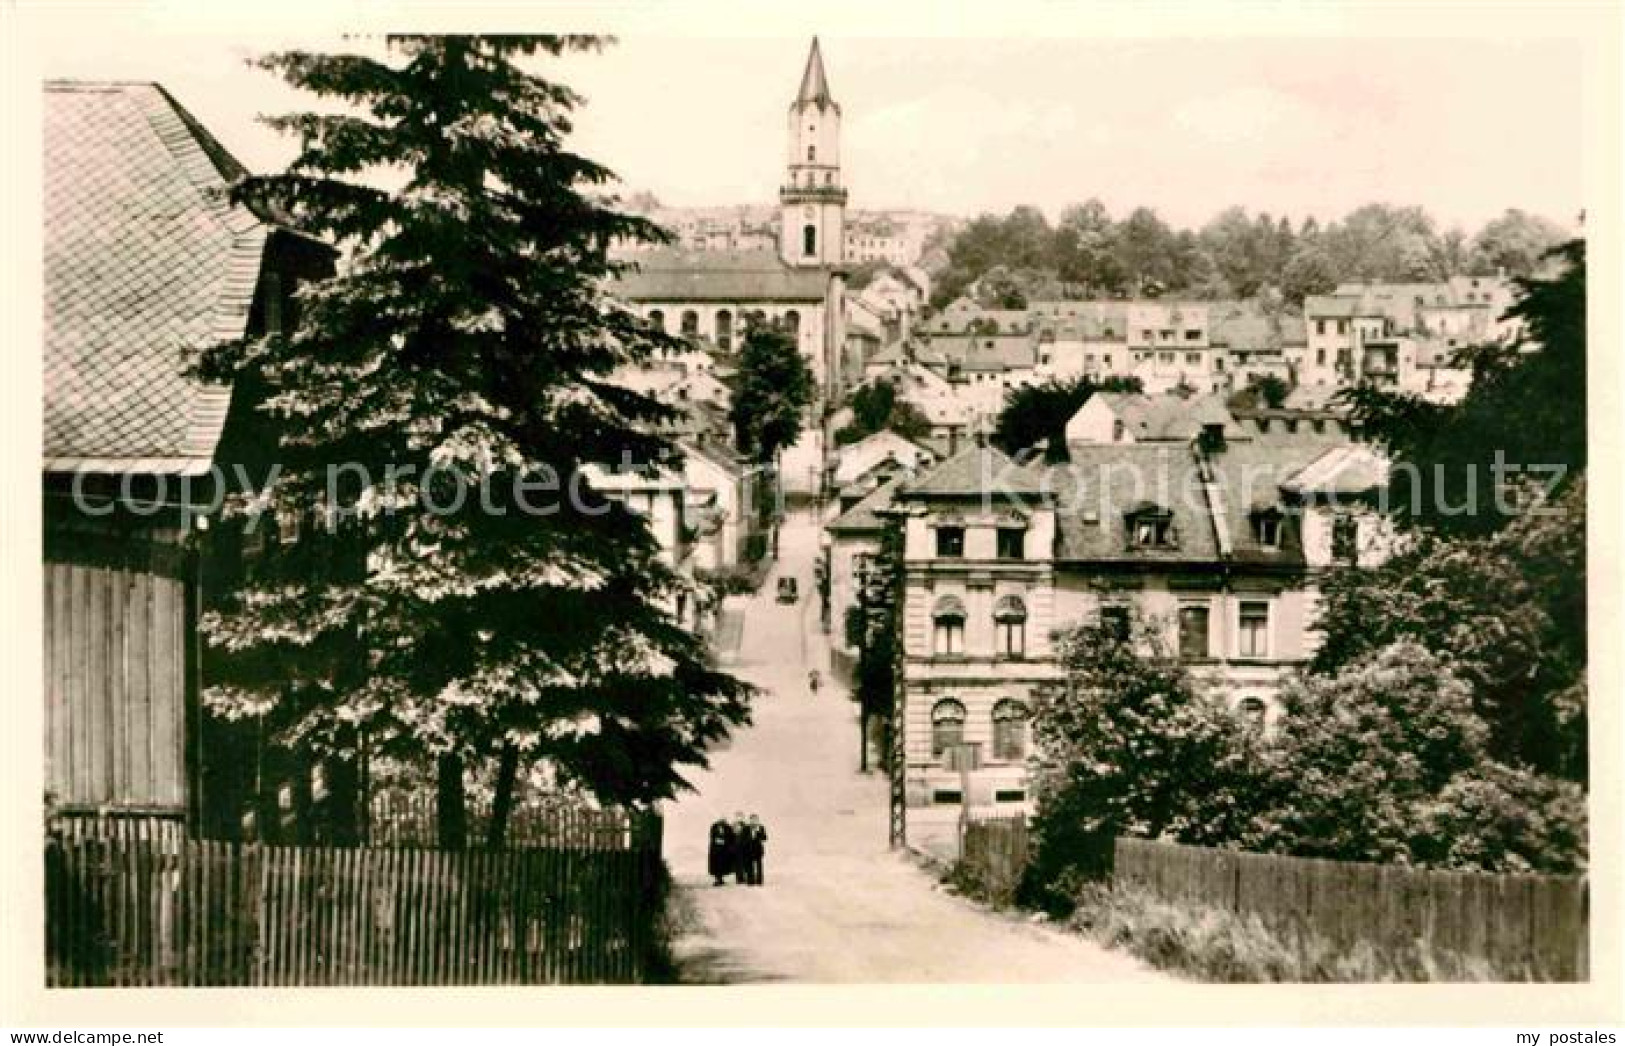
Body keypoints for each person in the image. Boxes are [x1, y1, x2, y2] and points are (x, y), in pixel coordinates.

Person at [707, 815, 735, 886]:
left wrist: (726, 842)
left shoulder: (728, 827)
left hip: (724, 850)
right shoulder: (714, 826)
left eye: (723, 820)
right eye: (721, 820)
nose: (722, 821)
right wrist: (717, 841)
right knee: (716, 865)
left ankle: (721, 879)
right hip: (715, 850)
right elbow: (712, 836)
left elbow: (731, 837)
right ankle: (718, 879)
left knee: (723, 865)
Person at [744, 814, 768, 886]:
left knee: (759, 866)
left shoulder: (761, 827)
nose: (754, 821)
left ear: (757, 820)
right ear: (750, 820)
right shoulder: (746, 828)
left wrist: (758, 832)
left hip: (758, 850)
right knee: (749, 866)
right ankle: (750, 881)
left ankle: (759, 881)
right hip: (748, 850)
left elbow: (765, 838)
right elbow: (743, 839)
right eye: (752, 820)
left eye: (755, 819)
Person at [731, 812, 751, 884]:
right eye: (738, 816)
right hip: (736, 847)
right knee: (737, 863)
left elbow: (748, 836)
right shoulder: (733, 825)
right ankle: (739, 878)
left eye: (741, 816)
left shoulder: (746, 826)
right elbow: (730, 836)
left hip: (744, 847)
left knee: (745, 863)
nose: (739, 818)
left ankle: (744, 877)